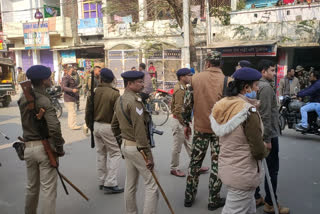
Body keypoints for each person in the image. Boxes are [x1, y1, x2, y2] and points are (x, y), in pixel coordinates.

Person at [210, 67, 269, 214]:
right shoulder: (248, 111)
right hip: (244, 172)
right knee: (234, 210)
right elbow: (257, 149)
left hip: (230, 167)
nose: (258, 88)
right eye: (256, 85)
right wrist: (265, 148)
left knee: (248, 208)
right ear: (246, 87)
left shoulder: (224, 104)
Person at [182, 51, 230, 211]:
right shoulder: (227, 81)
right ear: (220, 64)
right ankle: (213, 199)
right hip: (219, 131)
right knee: (217, 165)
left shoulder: (195, 79)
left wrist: (186, 123)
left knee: (195, 162)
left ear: (207, 63)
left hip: (200, 128)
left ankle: (189, 197)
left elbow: (187, 104)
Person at [18, 65, 65, 214]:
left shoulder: (23, 97)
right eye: (49, 78)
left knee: (32, 187)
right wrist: (59, 147)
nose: (50, 80)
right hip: (44, 148)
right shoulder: (44, 100)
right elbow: (54, 128)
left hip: (28, 147)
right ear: (44, 80)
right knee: (48, 190)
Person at [111, 71, 159, 214]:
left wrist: (122, 144)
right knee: (152, 184)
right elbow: (140, 131)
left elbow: (114, 126)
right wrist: (148, 154)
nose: (142, 84)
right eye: (139, 82)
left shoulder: (120, 100)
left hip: (127, 145)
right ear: (129, 84)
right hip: (138, 147)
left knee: (130, 184)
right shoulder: (135, 102)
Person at [255, 60, 289, 214]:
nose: (274, 73)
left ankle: (256, 197)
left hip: (257, 135)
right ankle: (270, 203)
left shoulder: (256, 85)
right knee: (272, 169)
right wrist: (267, 139)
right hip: (269, 135)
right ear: (263, 71)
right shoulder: (266, 88)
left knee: (255, 168)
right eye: (272, 70)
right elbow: (266, 116)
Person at [85, 68, 124, 194]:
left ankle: (101, 181)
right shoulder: (114, 93)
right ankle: (110, 182)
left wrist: (90, 125)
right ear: (112, 79)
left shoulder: (94, 91)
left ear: (100, 79)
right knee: (115, 153)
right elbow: (118, 114)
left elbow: (88, 111)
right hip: (108, 126)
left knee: (101, 154)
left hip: (96, 125)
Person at [170, 68, 208, 177]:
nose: (190, 77)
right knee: (177, 147)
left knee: (190, 144)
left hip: (183, 121)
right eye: (188, 75)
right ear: (182, 77)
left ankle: (195, 165)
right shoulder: (180, 90)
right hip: (179, 121)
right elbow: (178, 109)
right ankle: (174, 168)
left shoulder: (184, 88)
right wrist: (184, 123)